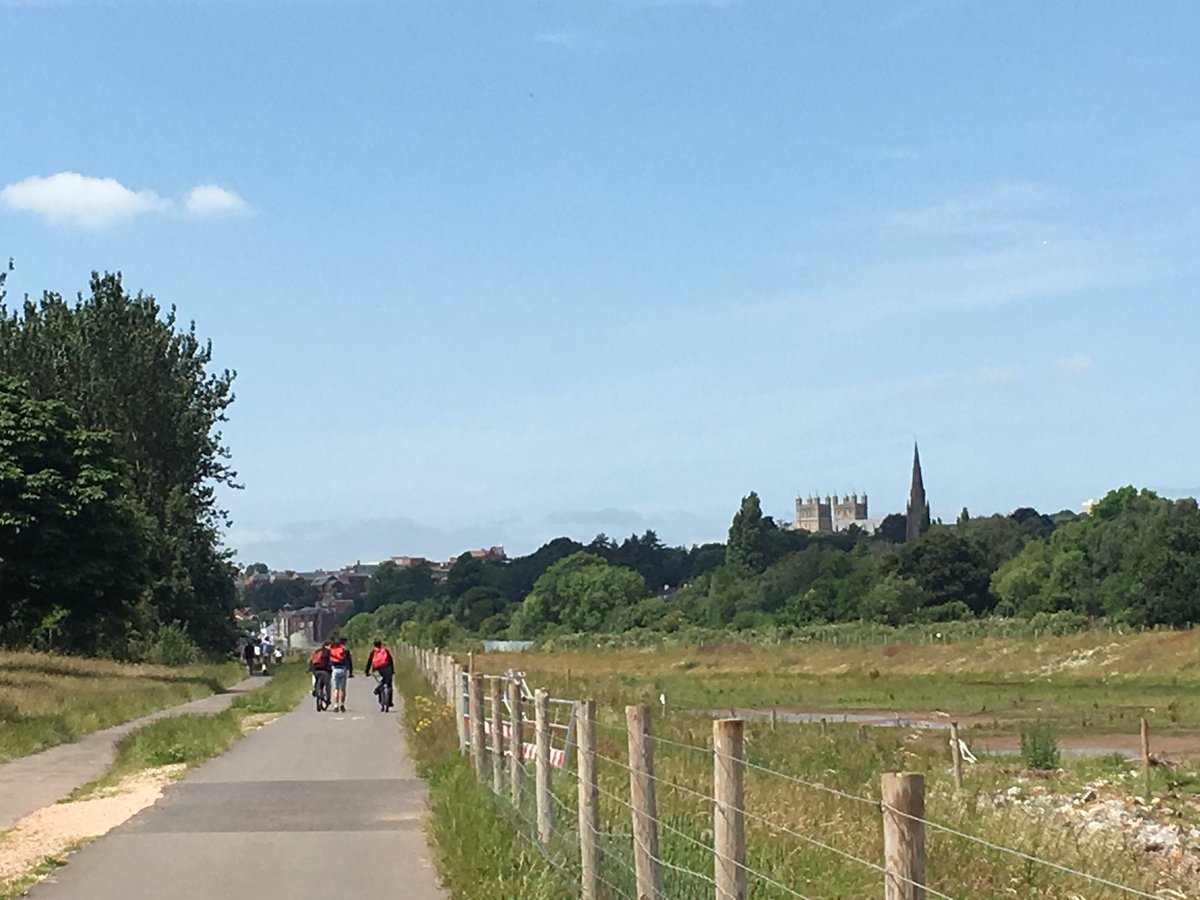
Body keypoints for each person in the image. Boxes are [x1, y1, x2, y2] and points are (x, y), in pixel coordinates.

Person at [365, 639, 395, 711]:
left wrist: (366, 671)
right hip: (387, 668)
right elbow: (390, 660)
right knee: (389, 685)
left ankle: (378, 689)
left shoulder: (373, 652)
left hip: (378, 669)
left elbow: (369, 662)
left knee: (381, 681)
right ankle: (389, 702)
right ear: (381, 644)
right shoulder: (385, 650)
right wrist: (392, 670)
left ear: (374, 645)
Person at [328, 636, 353, 712]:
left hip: (335, 669)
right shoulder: (345, 650)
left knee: (336, 689)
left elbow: (329, 660)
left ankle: (335, 705)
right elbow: (349, 662)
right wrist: (350, 672)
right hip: (343, 669)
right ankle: (342, 704)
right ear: (344, 642)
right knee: (342, 689)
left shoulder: (333, 649)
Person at [309, 640, 332, 708]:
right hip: (324, 671)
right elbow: (330, 662)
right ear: (326, 646)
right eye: (330, 646)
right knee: (327, 685)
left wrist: (310, 669)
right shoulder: (328, 652)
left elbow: (312, 661)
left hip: (315, 670)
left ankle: (315, 690)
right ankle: (328, 699)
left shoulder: (317, 651)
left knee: (316, 681)